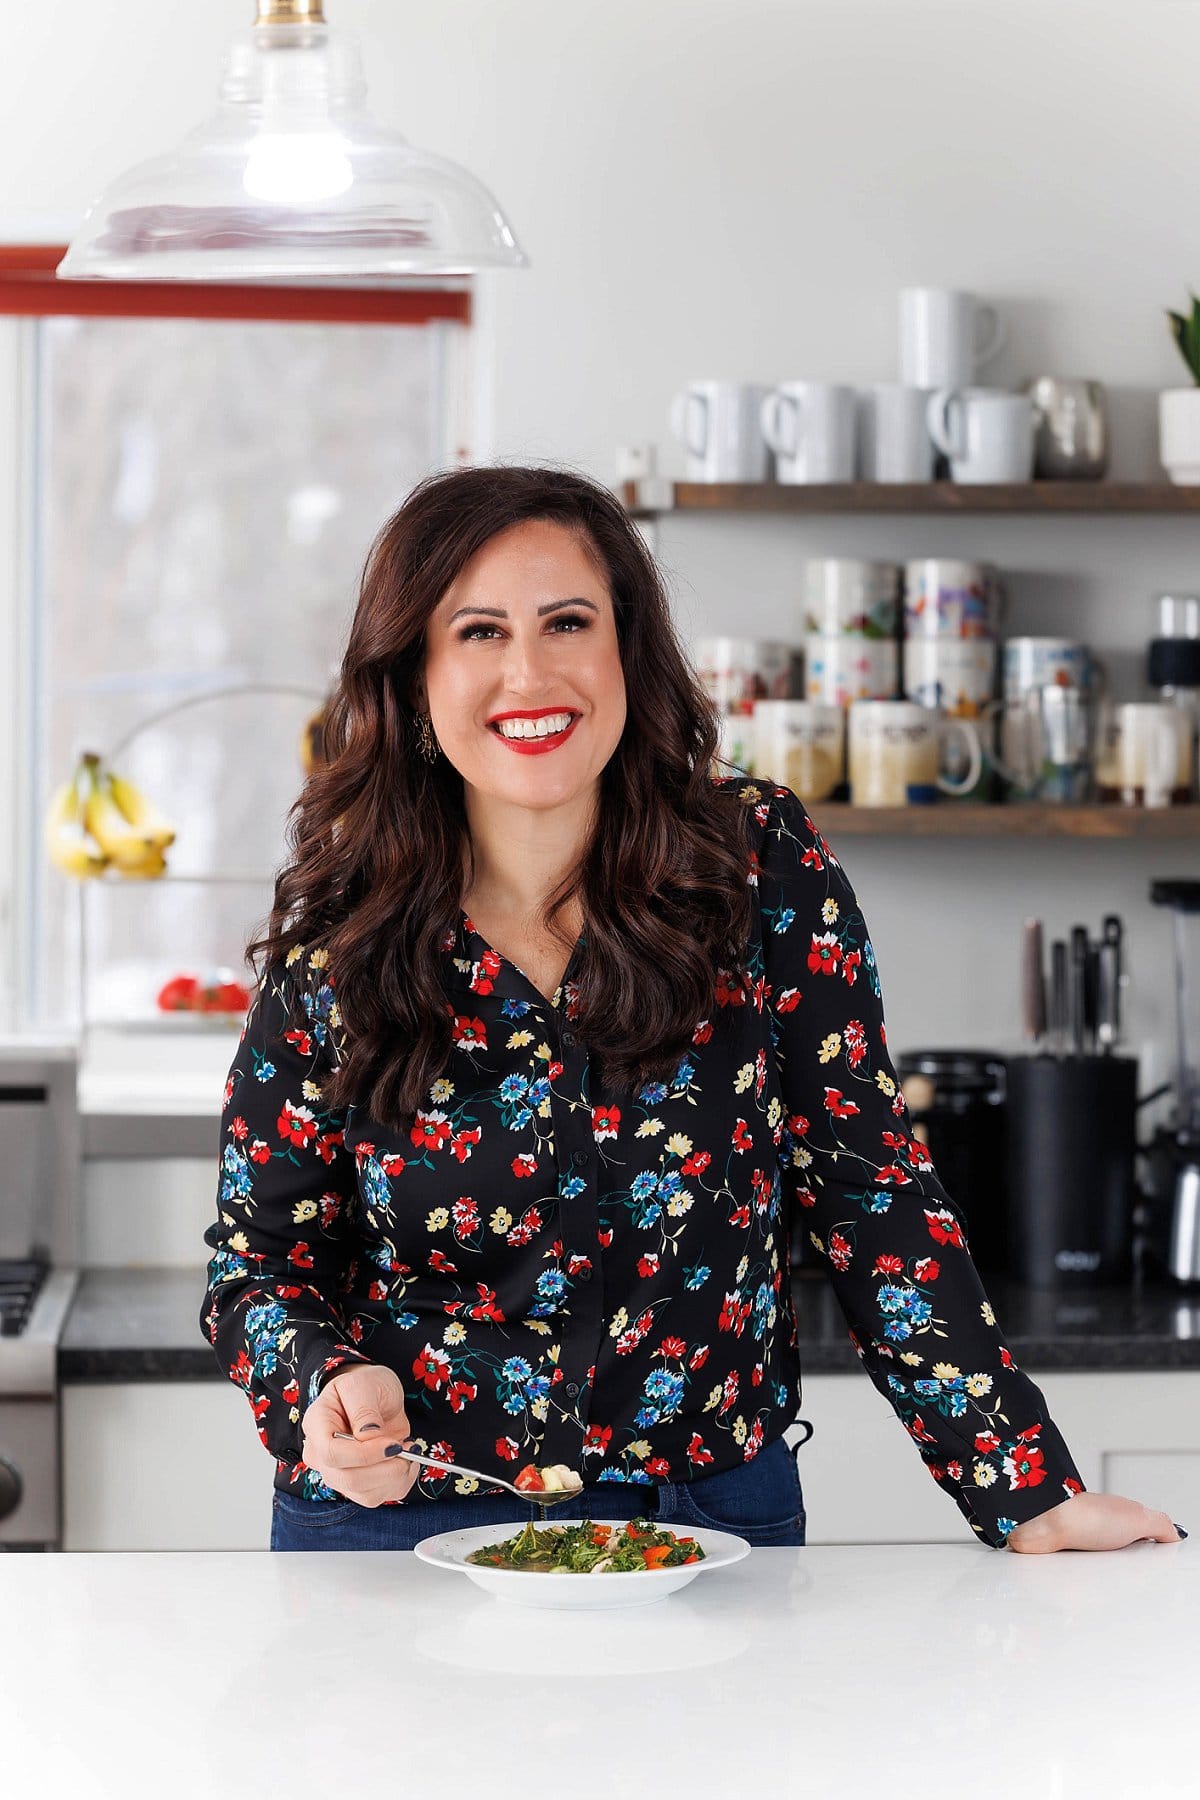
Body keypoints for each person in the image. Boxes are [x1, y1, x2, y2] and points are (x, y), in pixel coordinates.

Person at [201, 463, 1183, 1557]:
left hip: (703, 1524)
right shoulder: (342, 940)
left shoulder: (754, 865)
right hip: (400, 1525)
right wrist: (324, 1388)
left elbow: (867, 1187)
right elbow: (261, 1265)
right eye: (478, 632)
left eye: (566, 622)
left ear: (626, 648)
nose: (529, 672)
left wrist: (1022, 1488)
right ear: (414, 677)